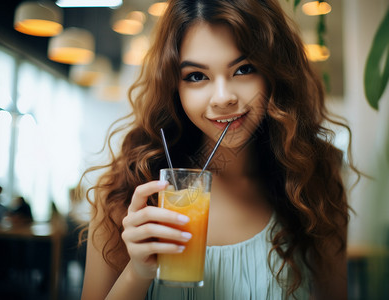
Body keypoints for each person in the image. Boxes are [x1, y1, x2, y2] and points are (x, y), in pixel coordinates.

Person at [80, 0, 357, 299]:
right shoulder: (123, 193)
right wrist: (138, 271)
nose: (223, 98)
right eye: (197, 76)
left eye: (244, 69)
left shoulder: (314, 184)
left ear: (275, 73)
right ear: (174, 86)